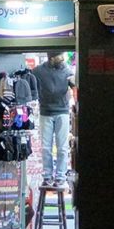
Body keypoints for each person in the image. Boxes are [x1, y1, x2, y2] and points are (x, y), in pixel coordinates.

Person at [32, 51, 76, 186]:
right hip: (46, 111)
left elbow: (75, 87)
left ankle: (60, 176)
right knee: (46, 147)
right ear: (51, 57)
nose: (62, 58)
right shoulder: (38, 71)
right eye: (60, 55)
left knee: (62, 147)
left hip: (62, 112)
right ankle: (47, 176)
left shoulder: (67, 70)